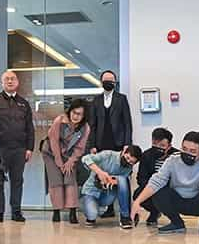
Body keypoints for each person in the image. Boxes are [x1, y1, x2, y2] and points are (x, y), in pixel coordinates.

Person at [131, 131, 199, 236]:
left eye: (192, 151)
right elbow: (156, 181)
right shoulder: (172, 159)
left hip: (197, 202)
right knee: (159, 192)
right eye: (184, 149)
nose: (187, 153)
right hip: (177, 200)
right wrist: (137, 202)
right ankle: (176, 223)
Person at [88, 70, 133, 218]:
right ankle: (109, 208)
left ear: (115, 82)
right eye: (106, 80)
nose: (109, 82)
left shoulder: (122, 99)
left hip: (119, 144)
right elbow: (92, 125)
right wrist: (92, 144)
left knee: (121, 177)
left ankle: (125, 211)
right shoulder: (96, 100)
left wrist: (127, 143)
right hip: (101, 144)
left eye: (111, 80)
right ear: (101, 82)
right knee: (105, 176)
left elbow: (128, 123)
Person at [0, 70, 34, 223]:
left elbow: (30, 127)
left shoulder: (24, 103)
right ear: (2, 83)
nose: (10, 81)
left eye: (13, 79)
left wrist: (30, 148)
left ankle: (16, 211)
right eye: (7, 79)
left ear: (17, 82)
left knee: (17, 181)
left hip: (19, 149)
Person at [41, 99, 91, 224]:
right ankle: (56, 212)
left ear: (84, 116)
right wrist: (58, 161)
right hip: (51, 153)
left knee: (70, 180)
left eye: (79, 114)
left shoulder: (85, 128)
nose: (76, 116)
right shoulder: (60, 120)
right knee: (55, 180)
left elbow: (80, 148)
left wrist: (71, 161)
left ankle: (72, 212)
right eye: (74, 112)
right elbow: (54, 141)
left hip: (69, 155)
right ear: (70, 111)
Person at [81, 145, 142, 229]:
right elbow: (85, 158)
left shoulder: (128, 168)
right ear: (124, 151)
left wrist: (112, 180)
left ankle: (125, 217)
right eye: (127, 158)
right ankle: (90, 211)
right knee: (92, 215)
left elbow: (124, 187)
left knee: (123, 179)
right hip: (91, 192)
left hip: (107, 195)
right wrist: (100, 172)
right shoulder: (108, 155)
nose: (128, 162)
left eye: (132, 162)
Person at [134, 127, 179, 226]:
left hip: (170, 189)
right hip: (152, 188)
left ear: (169, 146)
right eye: (154, 144)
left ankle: (175, 219)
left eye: (162, 145)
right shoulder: (146, 155)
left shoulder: (177, 156)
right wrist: (152, 188)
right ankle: (155, 212)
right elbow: (141, 178)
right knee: (137, 194)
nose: (157, 147)